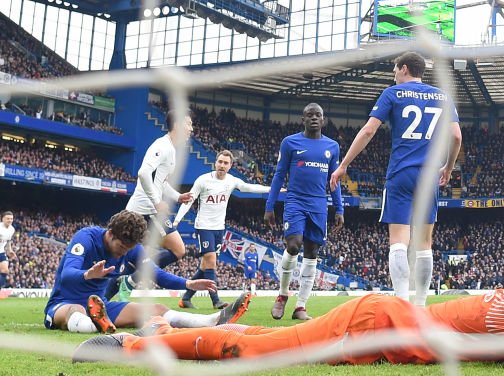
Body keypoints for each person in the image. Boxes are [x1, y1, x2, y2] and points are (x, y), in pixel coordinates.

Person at [75, 286, 504, 367]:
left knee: (262, 343)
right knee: (252, 349)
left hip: (380, 324)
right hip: (373, 322)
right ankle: (128, 342)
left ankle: (140, 338)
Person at [330, 52, 462, 307]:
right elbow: (456, 136)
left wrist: (344, 165)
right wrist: (448, 167)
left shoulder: (392, 93)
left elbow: (369, 130)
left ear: (403, 69)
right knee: (425, 243)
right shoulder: (442, 96)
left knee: (399, 241)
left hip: (401, 173)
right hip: (429, 176)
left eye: (394, 69)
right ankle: (421, 306)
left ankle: (402, 303)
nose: (393, 74)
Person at [45, 210, 251, 333]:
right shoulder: (86, 238)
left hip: (102, 308)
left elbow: (154, 273)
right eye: (120, 248)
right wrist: (88, 275)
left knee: (158, 309)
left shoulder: (132, 248)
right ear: (110, 234)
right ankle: (93, 324)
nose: (121, 255)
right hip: (64, 304)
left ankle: (212, 322)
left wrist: (187, 284)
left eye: (127, 250)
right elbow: (67, 274)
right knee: (77, 312)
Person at [265, 103, 343, 321]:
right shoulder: (290, 143)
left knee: (312, 253)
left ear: (324, 119)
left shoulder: (332, 146)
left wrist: (339, 208)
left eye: (318, 115)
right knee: (293, 245)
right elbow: (279, 175)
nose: (314, 118)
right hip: (295, 201)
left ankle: (300, 306)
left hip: (319, 205)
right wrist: (269, 206)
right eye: (310, 115)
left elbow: (334, 180)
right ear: (303, 119)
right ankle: (282, 295)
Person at [111, 112, 195, 301]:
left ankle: (124, 285)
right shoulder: (162, 146)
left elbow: (161, 181)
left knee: (128, 253)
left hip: (149, 209)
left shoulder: (172, 149)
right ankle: (124, 284)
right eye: (189, 124)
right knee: (176, 250)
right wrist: (157, 201)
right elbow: (143, 173)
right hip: (145, 210)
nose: (191, 128)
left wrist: (177, 196)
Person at [176, 150, 271, 309]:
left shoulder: (231, 181)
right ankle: (216, 301)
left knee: (205, 266)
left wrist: (271, 189)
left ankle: (186, 298)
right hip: (204, 227)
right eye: (220, 162)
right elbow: (188, 201)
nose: (222, 165)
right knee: (211, 262)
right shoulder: (203, 180)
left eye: (225, 163)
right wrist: (177, 220)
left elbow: (249, 188)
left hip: (219, 229)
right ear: (215, 163)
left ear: (230, 165)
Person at [0, 210, 16, 289]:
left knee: (5, 271)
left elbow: (8, 240)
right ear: (2, 219)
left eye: (11, 219)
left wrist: (10, 250)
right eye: (8, 218)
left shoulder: (12, 229)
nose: (10, 220)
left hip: (1, 252)